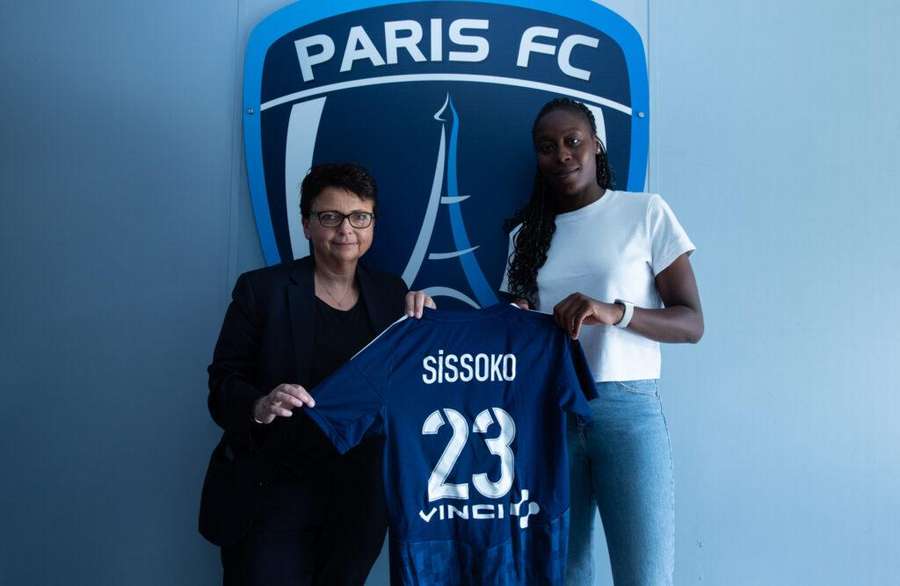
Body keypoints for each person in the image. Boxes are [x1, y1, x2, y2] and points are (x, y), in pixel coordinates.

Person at [199, 163, 434, 585]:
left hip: (357, 499)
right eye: (330, 217)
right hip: (270, 492)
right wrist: (261, 404)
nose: (346, 230)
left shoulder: (392, 294)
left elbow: (414, 386)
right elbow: (223, 384)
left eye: (359, 217)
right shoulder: (261, 290)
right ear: (307, 224)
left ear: (372, 223)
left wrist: (427, 327)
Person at [501, 98, 704, 585]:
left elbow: (691, 323)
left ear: (596, 146)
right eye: (547, 147)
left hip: (627, 411)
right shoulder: (525, 236)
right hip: (549, 413)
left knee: (645, 576)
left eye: (573, 141)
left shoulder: (645, 212)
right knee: (563, 573)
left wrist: (615, 311)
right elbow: (509, 330)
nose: (563, 155)